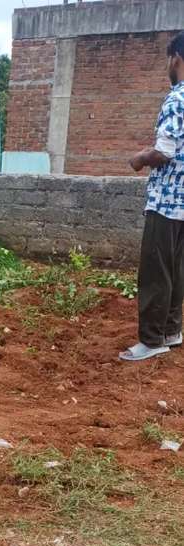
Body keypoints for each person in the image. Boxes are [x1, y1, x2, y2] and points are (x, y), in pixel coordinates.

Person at [121, 33, 184, 361]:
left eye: (167, 60)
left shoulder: (176, 99)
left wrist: (140, 157)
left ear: (176, 58)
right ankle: (172, 331)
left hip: (166, 202)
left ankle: (151, 340)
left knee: (155, 271)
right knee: (176, 269)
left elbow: (164, 151)